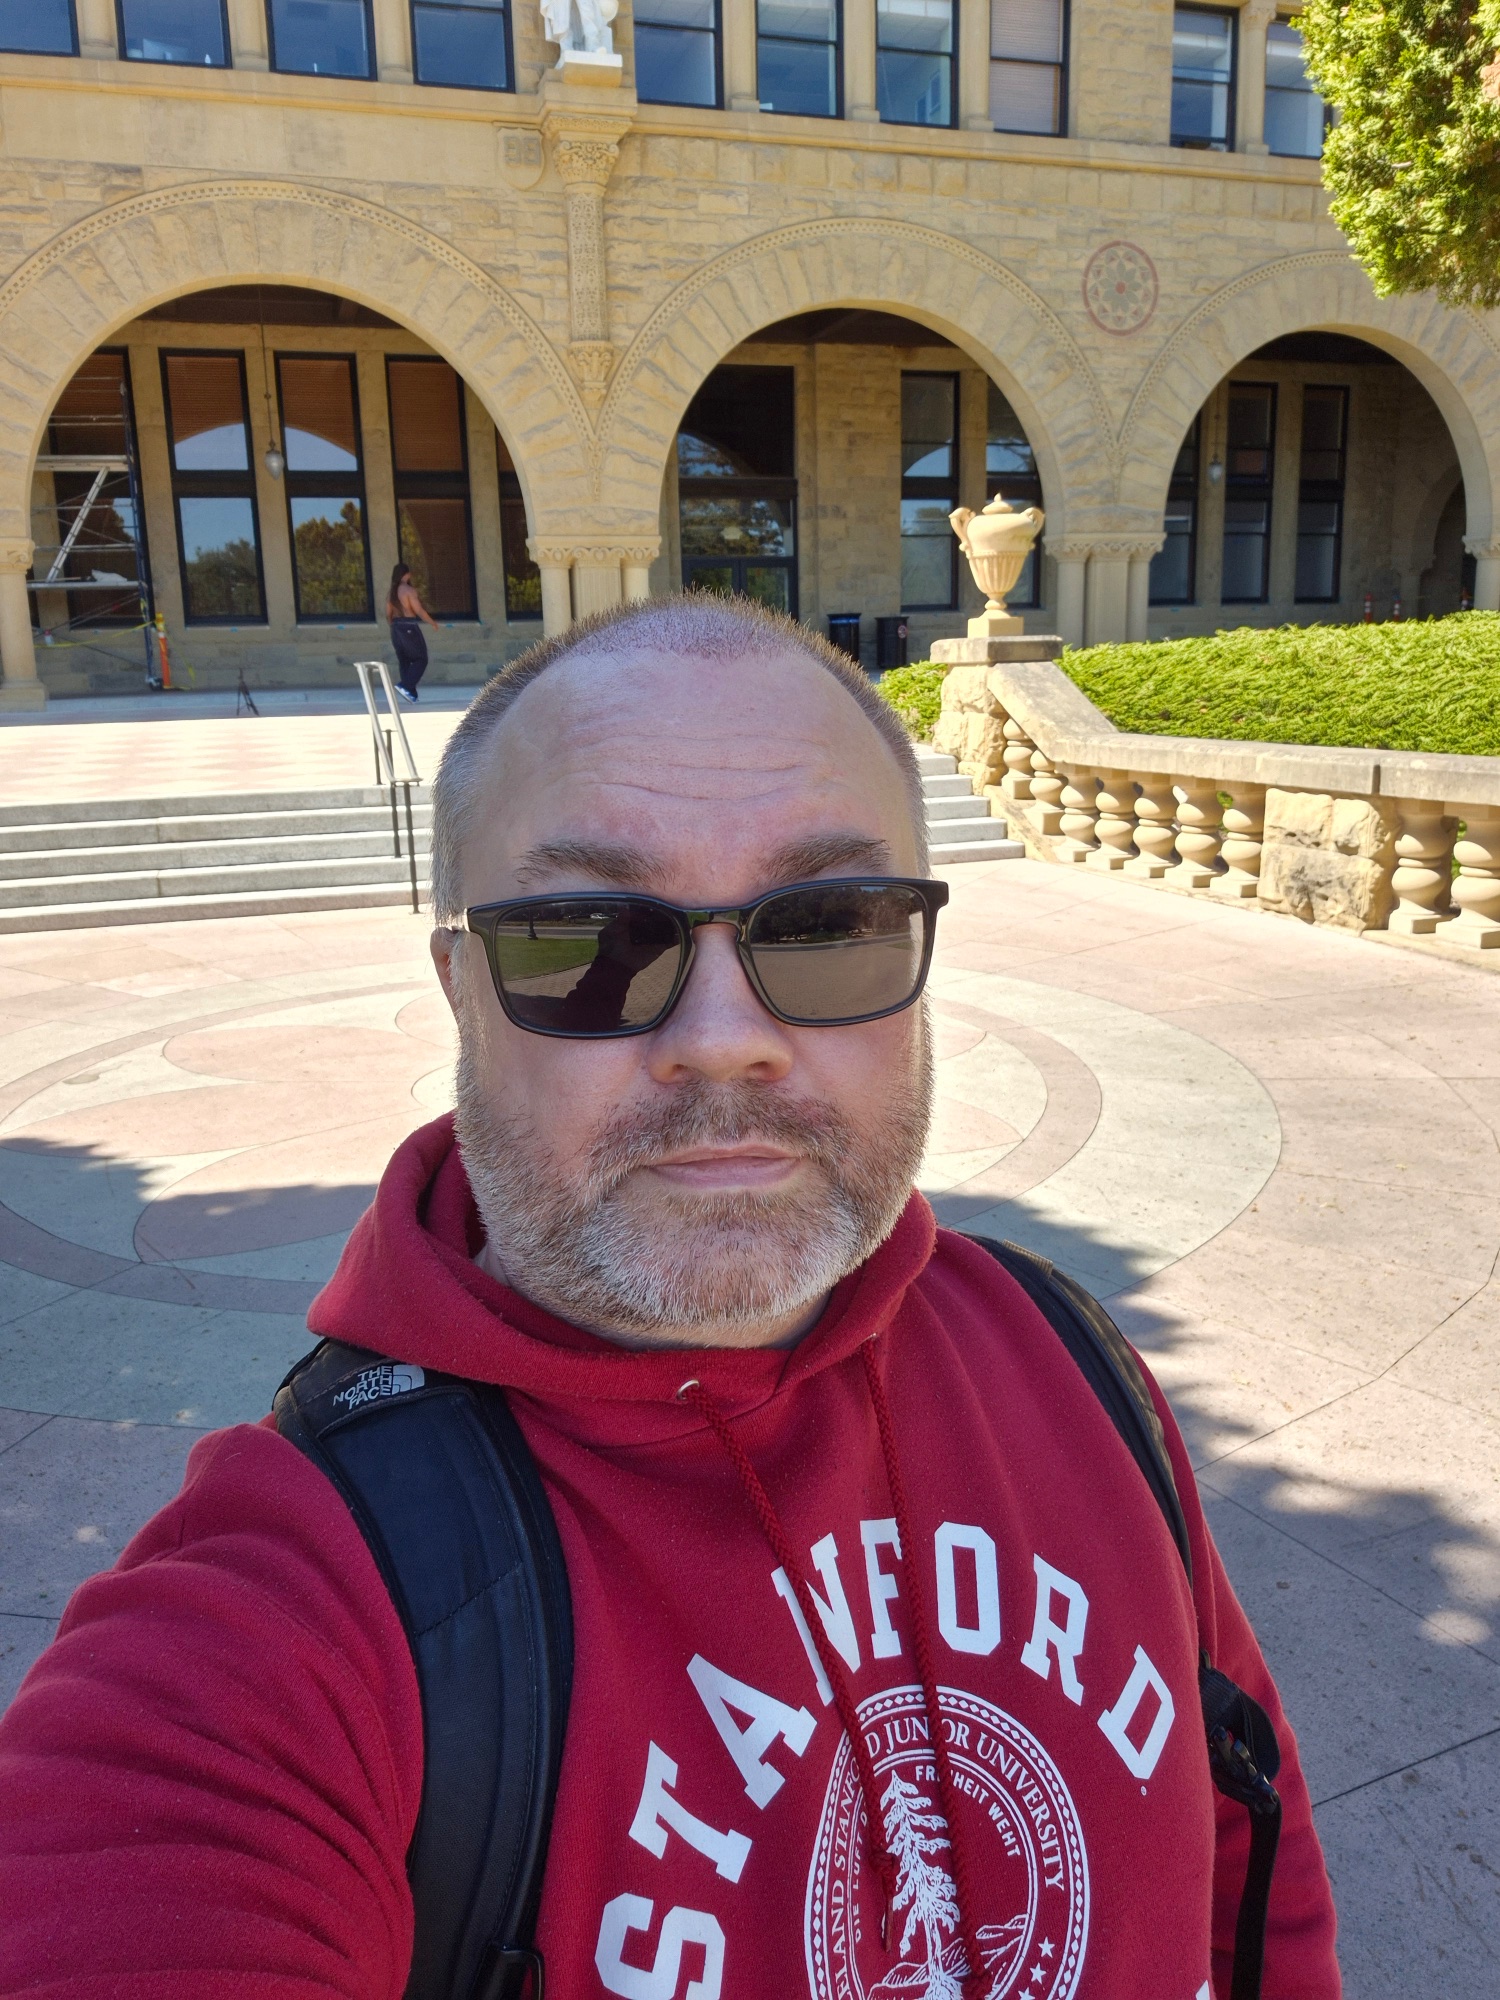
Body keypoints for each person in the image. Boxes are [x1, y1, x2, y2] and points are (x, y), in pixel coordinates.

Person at [0, 598, 1340, 1998]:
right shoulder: (278, 1620)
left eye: (829, 925)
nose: (723, 1040)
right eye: (586, 938)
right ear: (462, 992)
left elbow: (1253, 1843)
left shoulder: (1066, 1353)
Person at [388, 561, 437, 702]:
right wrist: (432, 622)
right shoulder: (408, 590)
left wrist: (394, 627)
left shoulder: (391, 593)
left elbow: (388, 614)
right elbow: (419, 610)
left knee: (404, 660)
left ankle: (410, 692)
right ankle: (405, 686)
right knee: (421, 658)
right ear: (406, 574)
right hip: (408, 626)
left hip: (395, 627)